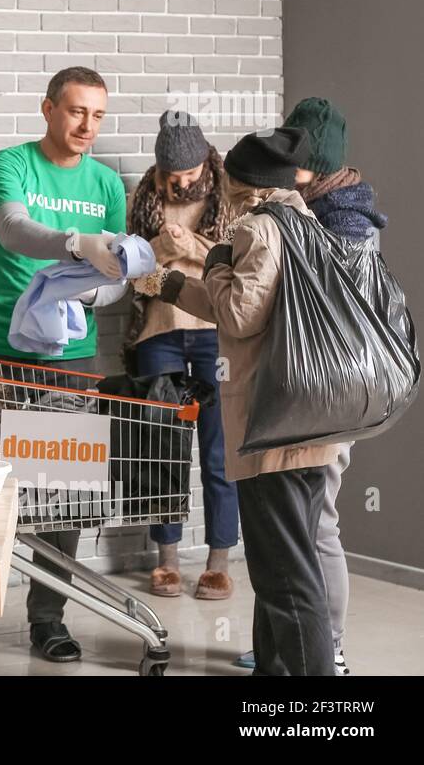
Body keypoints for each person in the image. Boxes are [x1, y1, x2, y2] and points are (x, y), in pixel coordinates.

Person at [136, 127, 339, 676]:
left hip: (270, 427)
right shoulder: (307, 224)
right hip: (306, 419)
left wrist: (217, 255)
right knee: (279, 570)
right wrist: (174, 287)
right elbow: (248, 306)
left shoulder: (257, 228)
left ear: (242, 185)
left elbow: (239, 315)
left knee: (290, 579)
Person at [0, 66, 128, 663]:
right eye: (77, 111)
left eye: (98, 115)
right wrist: (75, 244)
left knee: (61, 494)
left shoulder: (108, 184)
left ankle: (48, 619)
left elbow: (118, 279)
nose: (87, 126)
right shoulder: (9, 165)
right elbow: (12, 230)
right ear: (48, 109)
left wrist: (87, 292)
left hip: (69, 360)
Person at [241, 97, 381, 675]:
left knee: (316, 524)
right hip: (315, 391)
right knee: (291, 537)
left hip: (322, 396)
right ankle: (281, 651)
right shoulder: (336, 209)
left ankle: (330, 647)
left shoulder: (339, 221)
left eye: (293, 156)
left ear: (312, 167)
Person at [125, 112, 238, 600]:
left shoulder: (229, 196)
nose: (179, 182)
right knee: (162, 451)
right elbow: (135, 280)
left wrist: (190, 247)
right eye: (171, 175)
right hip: (159, 334)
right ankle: (166, 560)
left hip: (216, 335)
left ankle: (218, 563)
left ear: (204, 164)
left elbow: (234, 271)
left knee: (219, 453)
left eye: (188, 174)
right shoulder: (146, 199)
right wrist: (156, 251)